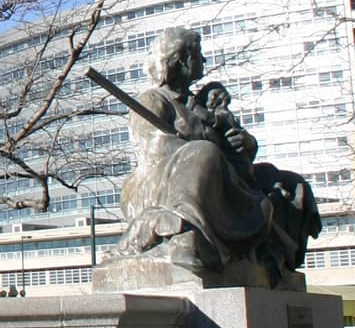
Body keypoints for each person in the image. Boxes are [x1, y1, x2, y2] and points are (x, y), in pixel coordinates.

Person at [116, 27, 318, 279]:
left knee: (285, 180)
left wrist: (245, 143)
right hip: (164, 184)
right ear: (181, 60)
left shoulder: (200, 102)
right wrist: (212, 150)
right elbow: (157, 150)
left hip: (219, 175)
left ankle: (278, 260)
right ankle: (184, 234)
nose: (203, 60)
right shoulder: (152, 100)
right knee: (203, 153)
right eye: (198, 54)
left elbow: (230, 142)